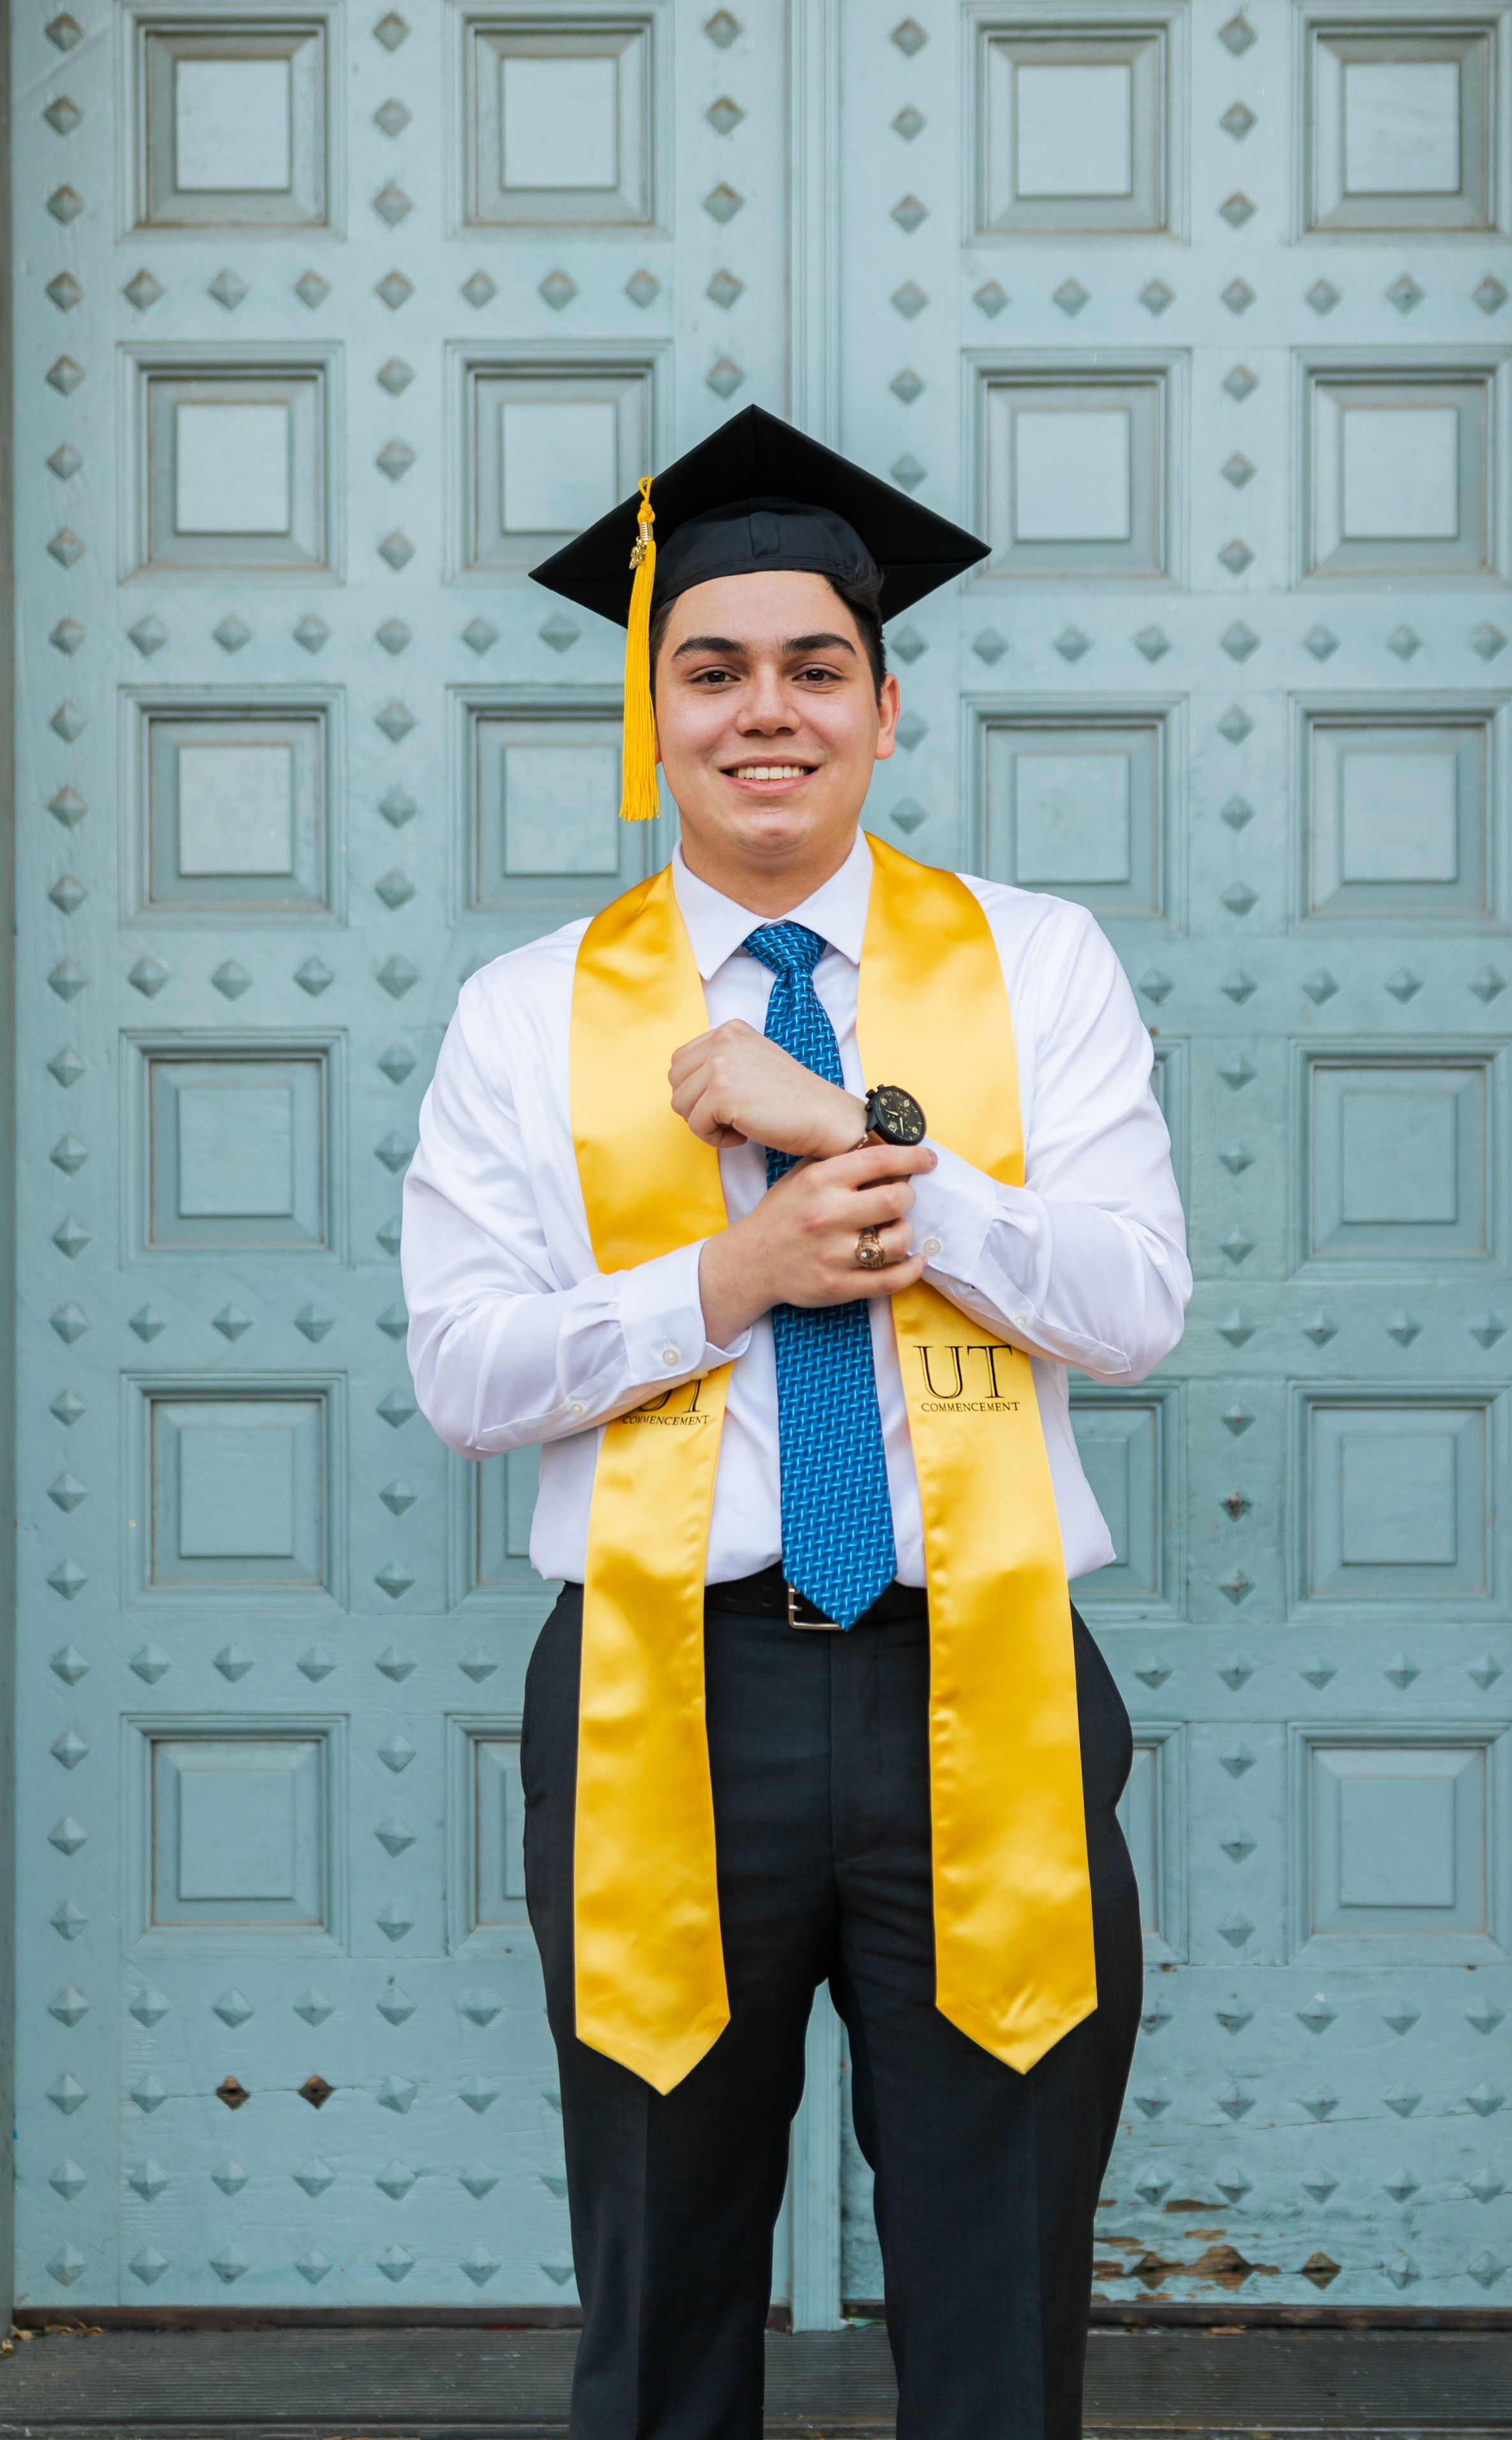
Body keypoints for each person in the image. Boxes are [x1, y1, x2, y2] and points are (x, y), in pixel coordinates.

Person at [401, 404, 1191, 2440]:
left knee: (999, 2293)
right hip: (661, 1690)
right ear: (652, 712)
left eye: (816, 666)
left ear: (886, 706)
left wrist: (848, 1134)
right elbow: (466, 1374)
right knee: (661, 2292)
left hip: (984, 1666)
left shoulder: (1040, 967)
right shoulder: (524, 1012)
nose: (769, 710)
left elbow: (1132, 1307)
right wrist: (729, 1276)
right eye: (714, 668)